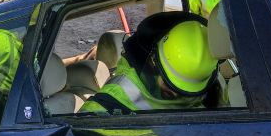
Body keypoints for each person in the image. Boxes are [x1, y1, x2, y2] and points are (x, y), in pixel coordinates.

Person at [80, 19, 218, 114]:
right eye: (169, 84)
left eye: (184, 91)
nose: (176, 94)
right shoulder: (105, 107)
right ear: (153, 63)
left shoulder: (206, 94)